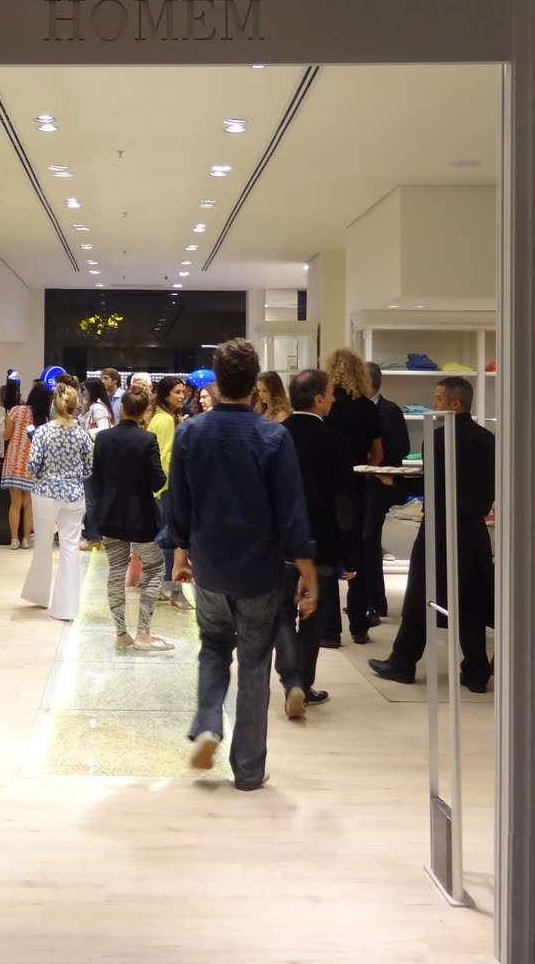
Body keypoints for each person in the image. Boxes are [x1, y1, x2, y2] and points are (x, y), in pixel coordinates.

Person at [170, 338, 316, 791]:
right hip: (259, 570)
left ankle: (208, 723)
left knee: (214, 647)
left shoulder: (190, 433)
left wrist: (179, 554)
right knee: (254, 663)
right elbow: (292, 510)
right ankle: (249, 770)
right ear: (255, 383)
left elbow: (179, 503)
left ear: (216, 381)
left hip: (210, 564)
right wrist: (307, 570)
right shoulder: (274, 436)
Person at [368, 375, 497, 693]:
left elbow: (435, 485)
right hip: (474, 529)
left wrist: (395, 483)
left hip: (440, 527)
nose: (433, 403)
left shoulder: (438, 438)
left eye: (438, 398)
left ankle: (403, 662)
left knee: (420, 596)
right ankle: (476, 671)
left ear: (455, 403)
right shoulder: (488, 439)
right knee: (469, 599)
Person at [275, 369, 354, 715]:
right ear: (319, 399)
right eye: (331, 393)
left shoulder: (276, 435)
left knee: (280, 613)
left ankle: (291, 680)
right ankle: (303, 684)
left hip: (278, 544)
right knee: (313, 616)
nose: (334, 399)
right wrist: (349, 552)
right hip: (321, 543)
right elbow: (344, 502)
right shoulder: (336, 441)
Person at [91, 386, 173, 651]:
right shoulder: (147, 439)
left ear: (121, 408)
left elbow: (96, 477)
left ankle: (121, 633)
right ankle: (144, 633)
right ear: (144, 411)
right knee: (155, 569)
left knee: (116, 571)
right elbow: (157, 480)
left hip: (110, 515)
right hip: (141, 518)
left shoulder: (103, 438)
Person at [322, 347, 383, 648]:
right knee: (355, 554)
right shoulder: (369, 408)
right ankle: (359, 625)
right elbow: (378, 452)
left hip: (329, 486)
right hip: (358, 484)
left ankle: (330, 630)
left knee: (328, 552)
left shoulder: (328, 406)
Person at [21, 384, 94, 620]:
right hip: (73, 495)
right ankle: (66, 606)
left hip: (45, 493)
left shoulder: (42, 433)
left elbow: (32, 466)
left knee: (42, 543)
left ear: (54, 404)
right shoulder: (82, 435)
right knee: (70, 547)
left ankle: (39, 594)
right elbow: (89, 469)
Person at [362, 360, 412, 621]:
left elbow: (401, 446)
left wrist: (379, 464)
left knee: (369, 539)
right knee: (363, 541)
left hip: (380, 483)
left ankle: (375, 601)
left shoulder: (389, 410)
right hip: (363, 482)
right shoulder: (357, 409)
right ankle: (367, 599)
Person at [148, 376, 192, 610]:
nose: (182, 396)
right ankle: (172, 589)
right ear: (166, 394)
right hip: (167, 489)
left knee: (165, 539)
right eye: (177, 392)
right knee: (170, 540)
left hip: (162, 488)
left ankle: (161, 588)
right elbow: (166, 457)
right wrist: (172, 486)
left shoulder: (162, 417)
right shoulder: (165, 420)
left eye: (183, 392)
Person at [0, 378, 39, 549]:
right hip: (31, 461)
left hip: (14, 459)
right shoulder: (41, 415)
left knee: (15, 504)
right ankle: (26, 539)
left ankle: (14, 539)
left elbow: (7, 435)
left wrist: (3, 427)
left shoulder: (16, 410)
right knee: (28, 504)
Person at [78, 377, 113, 545]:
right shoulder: (93, 407)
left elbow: (104, 430)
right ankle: (94, 535)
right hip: (93, 458)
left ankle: (94, 537)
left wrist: (89, 433)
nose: (83, 393)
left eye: (85, 390)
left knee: (91, 499)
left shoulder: (98, 408)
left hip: (94, 458)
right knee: (92, 499)